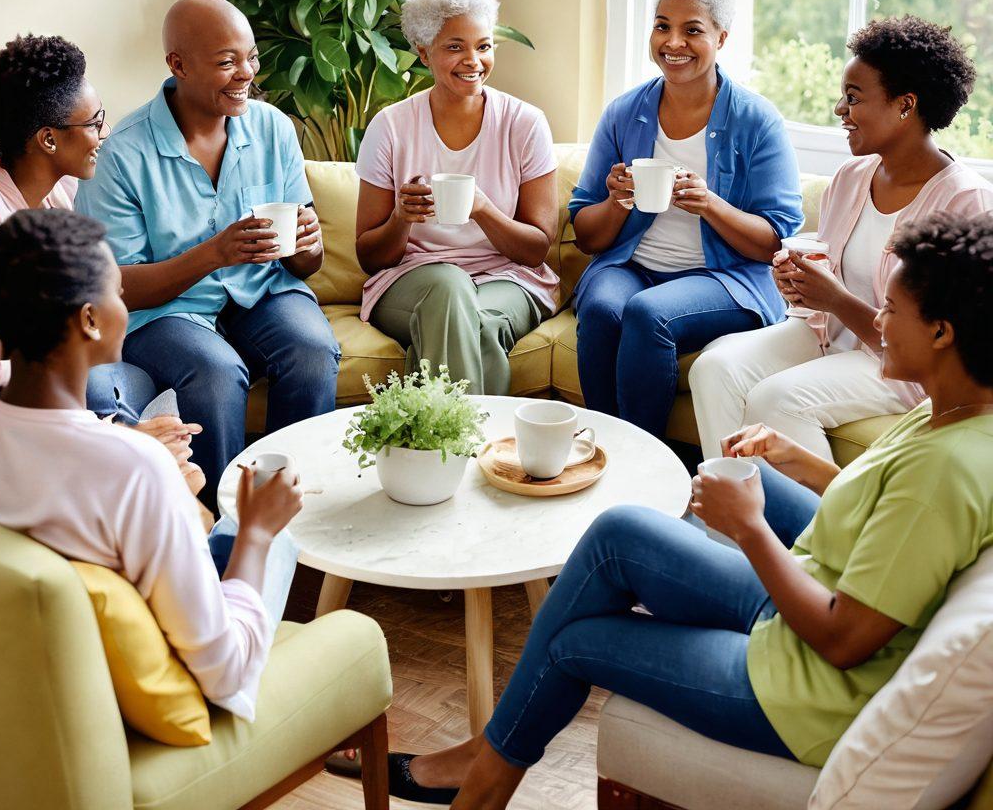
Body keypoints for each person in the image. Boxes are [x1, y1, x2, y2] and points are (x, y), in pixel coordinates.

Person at [381, 208, 993, 808]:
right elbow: (883, 517)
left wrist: (749, 529)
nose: (876, 320)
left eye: (892, 310)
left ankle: (481, 784)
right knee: (621, 532)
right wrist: (802, 464)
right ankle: (483, 762)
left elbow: (843, 640)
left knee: (574, 643)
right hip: (811, 603)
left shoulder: (944, 472)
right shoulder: (950, 412)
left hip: (803, 692)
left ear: (942, 333)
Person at [0, 208, 302, 717]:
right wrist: (257, 532)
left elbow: (49, 458)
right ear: (89, 319)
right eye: (117, 291)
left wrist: (125, 444)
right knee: (263, 534)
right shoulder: (133, 469)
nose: (124, 301)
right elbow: (225, 672)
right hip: (144, 701)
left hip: (19, 681)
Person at [75, 0, 340, 510]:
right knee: (215, 372)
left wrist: (308, 243)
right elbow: (116, 287)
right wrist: (214, 254)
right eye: (226, 62)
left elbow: (305, 265)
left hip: (263, 291)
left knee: (311, 350)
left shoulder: (272, 127)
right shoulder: (122, 154)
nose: (247, 73)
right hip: (166, 313)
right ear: (178, 65)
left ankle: (296, 506)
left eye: (251, 57)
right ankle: (220, 526)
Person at [691, 16, 993, 464]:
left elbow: (945, 341)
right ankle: (732, 500)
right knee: (713, 369)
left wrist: (834, 299)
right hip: (828, 334)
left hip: (902, 364)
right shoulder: (850, 178)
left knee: (778, 399)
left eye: (853, 98)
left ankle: (818, 512)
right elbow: (824, 290)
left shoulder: (967, 202)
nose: (839, 110)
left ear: (906, 105)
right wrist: (796, 284)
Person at [569, 0, 802, 438]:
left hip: (725, 279)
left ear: (721, 38)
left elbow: (775, 243)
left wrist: (710, 204)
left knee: (647, 313)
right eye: (662, 27)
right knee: (601, 309)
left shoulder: (757, 121)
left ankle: (646, 460)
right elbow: (587, 236)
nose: (673, 43)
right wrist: (615, 202)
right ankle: (603, 449)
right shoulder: (624, 113)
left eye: (692, 30)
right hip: (632, 266)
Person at [0, 35, 202, 490]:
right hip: (3, 411)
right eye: (94, 123)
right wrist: (114, 437)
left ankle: (177, 491)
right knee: (104, 396)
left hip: (57, 375)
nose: (106, 132)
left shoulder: (62, 189)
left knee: (162, 386)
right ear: (49, 139)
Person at [354, 0, 558, 395]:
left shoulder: (525, 123)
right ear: (423, 52)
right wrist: (401, 218)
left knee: (474, 326)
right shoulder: (390, 127)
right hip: (414, 279)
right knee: (449, 289)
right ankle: (483, 436)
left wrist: (482, 209)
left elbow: (536, 248)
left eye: (484, 46)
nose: (473, 61)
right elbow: (370, 258)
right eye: (454, 47)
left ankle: (439, 432)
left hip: (508, 279)